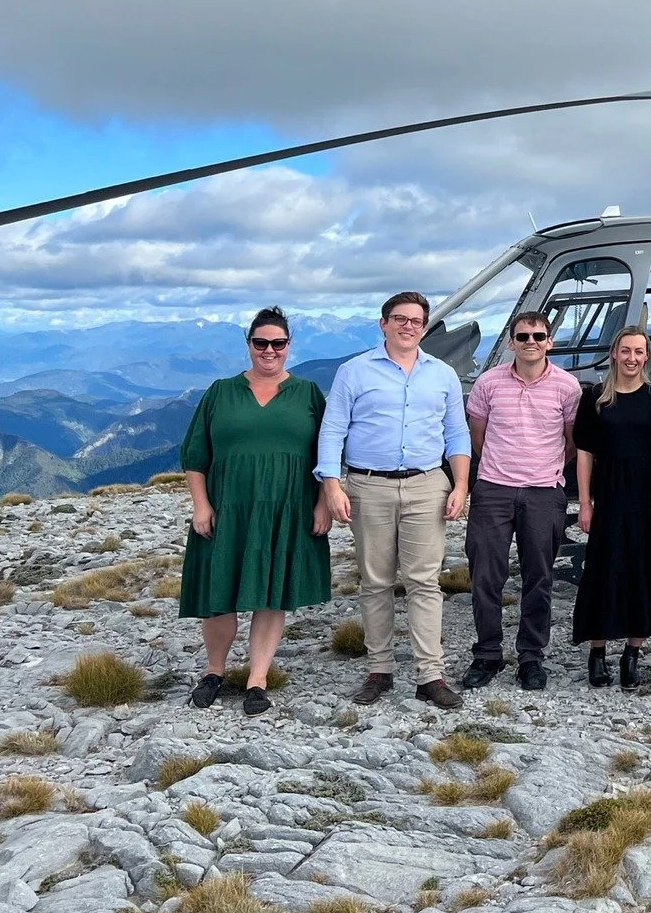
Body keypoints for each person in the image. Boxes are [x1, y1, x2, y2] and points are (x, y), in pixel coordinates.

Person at [316, 291, 472, 709]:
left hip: (427, 486)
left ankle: (430, 676)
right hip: (369, 486)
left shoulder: (442, 374)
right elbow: (332, 431)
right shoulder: (353, 372)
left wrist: (460, 485)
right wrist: (332, 486)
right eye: (399, 319)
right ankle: (379, 670)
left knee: (425, 582)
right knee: (376, 582)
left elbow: (457, 434)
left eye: (416, 321)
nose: (408, 327)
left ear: (424, 327)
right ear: (383, 323)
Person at [179, 308, 330, 717]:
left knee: (271, 591)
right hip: (226, 506)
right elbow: (195, 455)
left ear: (288, 347)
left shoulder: (309, 393)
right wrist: (201, 505)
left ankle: (257, 679)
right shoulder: (220, 391)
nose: (269, 350)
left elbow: (326, 456)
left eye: (277, 343)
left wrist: (322, 503)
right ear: (248, 345)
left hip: (286, 507)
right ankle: (214, 672)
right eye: (260, 342)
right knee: (218, 592)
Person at [461, 310, 582, 692]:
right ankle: (487, 654)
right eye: (523, 336)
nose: (531, 342)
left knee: (539, 577)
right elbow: (477, 435)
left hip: (544, 492)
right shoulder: (488, 383)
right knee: (485, 575)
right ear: (512, 341)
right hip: (493, 490)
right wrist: (502, 467)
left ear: (550, 341)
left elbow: (572, 441)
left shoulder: (567, 387)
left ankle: (531, 657)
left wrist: (542, 470)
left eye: (538, 336)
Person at [572, 325, 651, 687]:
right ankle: (598, 651)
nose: (632, 358)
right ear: (614, 354)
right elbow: (584, 453)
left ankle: (633, 653)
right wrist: (585, 502)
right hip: (611, 496)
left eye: (639, 351)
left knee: (643, 570)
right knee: (603, 569)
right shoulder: (595, 399)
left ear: (646, 356)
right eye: (626, 350)